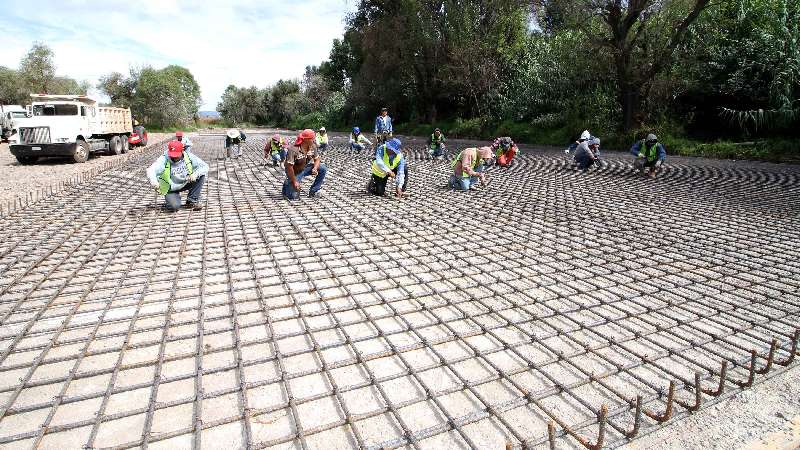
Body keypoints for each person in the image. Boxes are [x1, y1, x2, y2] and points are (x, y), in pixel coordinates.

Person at [147, 140, 209, 211]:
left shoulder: (188, 156)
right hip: (170, 187)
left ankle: (192, 200)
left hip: (185, 182)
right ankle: (172, 199)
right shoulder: (164, 159)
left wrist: (195, 174)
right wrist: (154, 182)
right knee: (174, 207)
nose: (175, 157)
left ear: (182, 151)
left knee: (201, 175)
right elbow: (151, 170)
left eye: (177, 155)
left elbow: (205, 166)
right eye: (173, 155)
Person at [283, 129, 327, 200]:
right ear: (306, 139)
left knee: (323, 168)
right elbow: (289, 167)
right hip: (294, 172)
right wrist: (294, 181)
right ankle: (288, 183)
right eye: (312, 138)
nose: (314, 140)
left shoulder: (312, 146)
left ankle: (314, 191)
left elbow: (317, 159)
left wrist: (315, 168)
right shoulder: (293, 149)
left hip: (304, 168)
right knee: (293, 196)